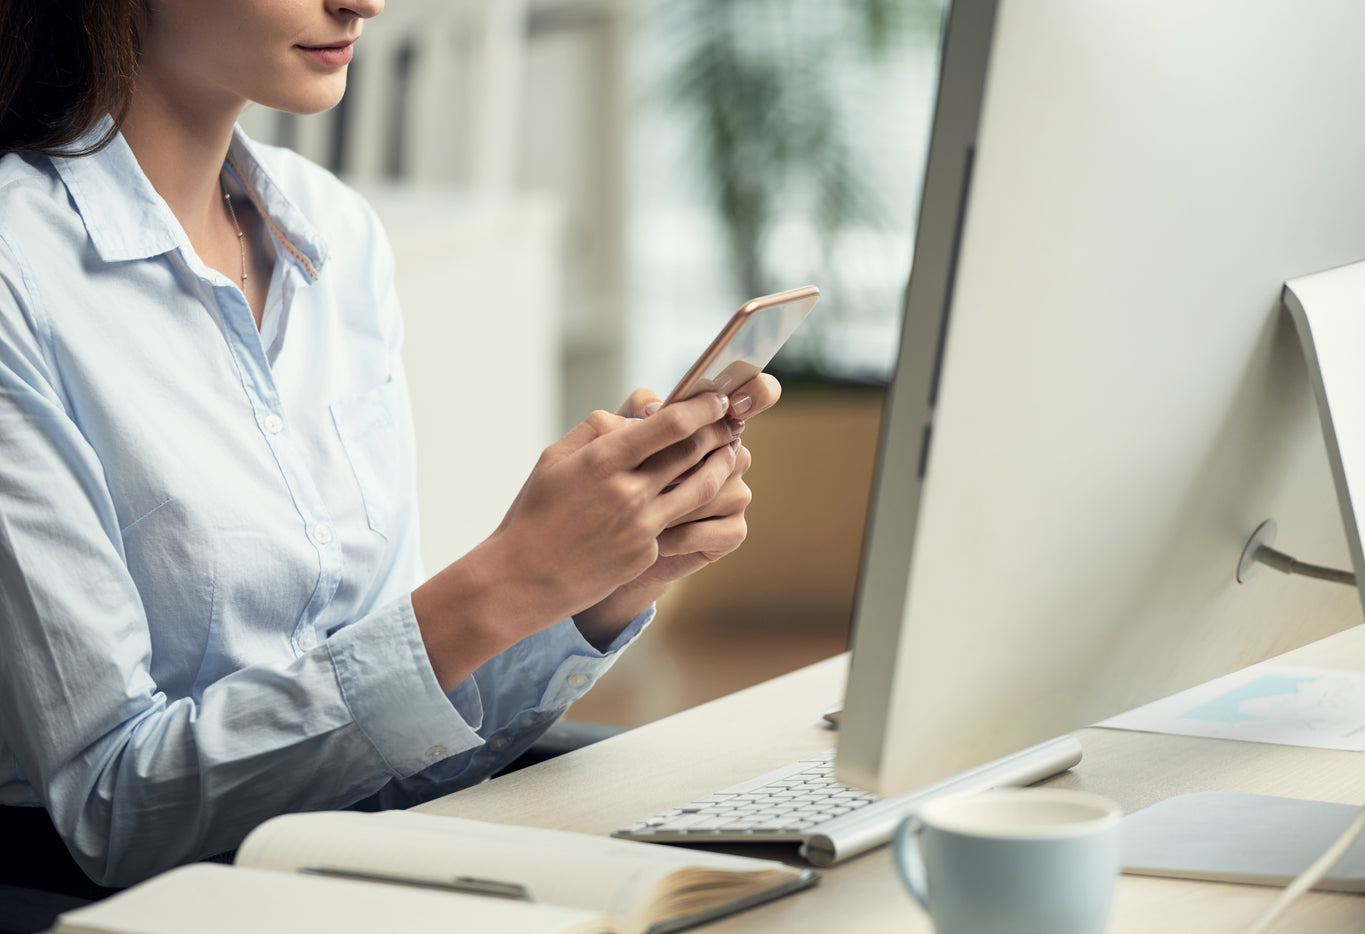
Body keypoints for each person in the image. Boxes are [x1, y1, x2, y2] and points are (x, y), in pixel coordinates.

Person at [0, 0, 780, 894]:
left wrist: (599, 585)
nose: (364, 2)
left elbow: (396, 749)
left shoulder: (336, 234)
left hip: (355, 868)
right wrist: (506, 580)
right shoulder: (19, 273)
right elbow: (113, 809)